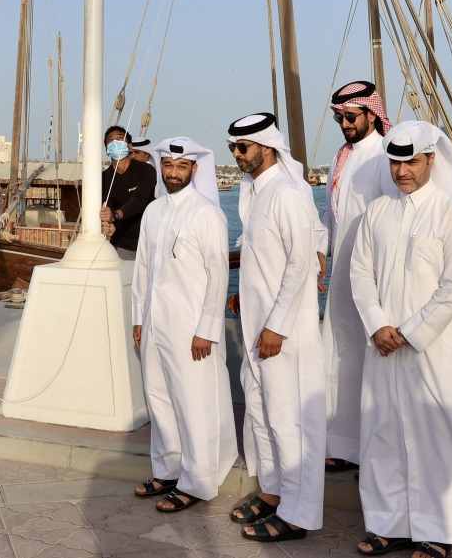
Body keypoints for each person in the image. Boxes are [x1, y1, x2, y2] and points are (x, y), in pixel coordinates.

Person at [348, 121, 452, 558]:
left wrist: (409, 332)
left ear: (431, 159)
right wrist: (377, 325)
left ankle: (441, 532)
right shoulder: (376, 212)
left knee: (436, 436)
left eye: (411, 161)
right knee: (384, 433)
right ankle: (389, 524)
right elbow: (360, 273)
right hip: (382, 345)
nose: (401, 171)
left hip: (432, 347)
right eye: (395, 162)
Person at [225, 112, 327, 543]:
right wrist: (244, 298)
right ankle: (273, 492)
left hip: (280, 331)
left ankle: (299, 513)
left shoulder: (286, 193)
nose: (236, 154)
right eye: (232, 147)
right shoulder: (253, 192)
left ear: (266, 147)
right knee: (262, 412)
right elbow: (262, 259)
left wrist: (277, 325)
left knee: (288, 419)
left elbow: (301, 263)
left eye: (242, 147)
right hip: (256, 322)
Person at [131, 137, 237, 513]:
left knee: (194, 404)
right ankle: (168, 470)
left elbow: (218, 275)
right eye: (168, 166)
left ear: (194, 169)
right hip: (155, 323)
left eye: (182, 167)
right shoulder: (154, 211)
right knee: (158, 399)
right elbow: (143, 269)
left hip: (192, 328)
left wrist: (207, 328)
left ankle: (197, 482)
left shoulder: (208, 213)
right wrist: (138, 319)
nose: (174, 173)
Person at [321, 82, 393, 473]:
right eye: (338, 117)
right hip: (341, 275)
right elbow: (331, 217)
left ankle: (375, 446)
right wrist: (320, 253)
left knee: (373, 359)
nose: (344, 123)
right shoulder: (341, 158)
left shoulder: (386, 155)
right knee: (342, 354)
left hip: (375, 277)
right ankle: (344, 442)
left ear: (372, 113)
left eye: (351, 116)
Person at [99, 124, 157, 259]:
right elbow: (102, 207)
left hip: (146, 243)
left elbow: (138, 201)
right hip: (119, 244)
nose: (115, 143)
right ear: (107, 150)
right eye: (110, 141)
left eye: (119, 139)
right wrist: (107, 224)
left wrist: (114, 216)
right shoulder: (102, 177)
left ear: (129, 146)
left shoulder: (145, 170)